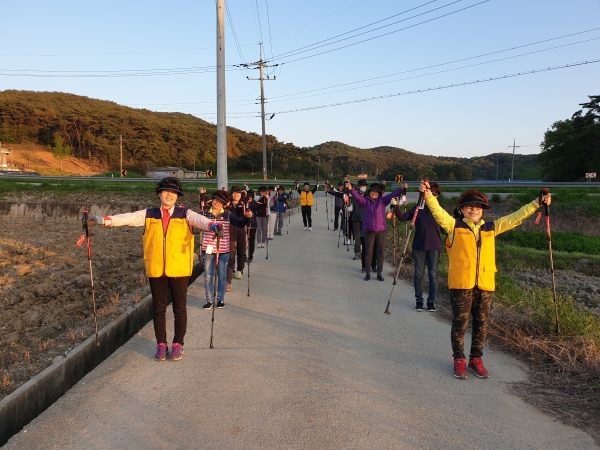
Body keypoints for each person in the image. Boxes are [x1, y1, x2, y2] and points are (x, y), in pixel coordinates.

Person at [420, 181, 551, 379]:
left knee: (481, 325)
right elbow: (438, 212)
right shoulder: (453, 226)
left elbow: (515, 218)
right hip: (461, 285)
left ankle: (476, 359)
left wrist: (536, 203)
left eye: (478, 207)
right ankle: (459, 360)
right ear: (462, 209)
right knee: (460, 325)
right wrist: (428, 196)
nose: (474, 210)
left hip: (485, 284)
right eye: (470, 206)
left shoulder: (492, 227)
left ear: (483, 210)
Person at [85, 177, 216, 362]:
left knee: (179, 308)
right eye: (165, 191)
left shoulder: (185, 213)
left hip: (178, 268)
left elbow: (200, 220)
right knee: (158, 308)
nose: (169, 195)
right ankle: (161, 344)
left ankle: (178, 344)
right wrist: (101, 220)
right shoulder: (149, 213)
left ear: (177, 195)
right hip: (156, 268)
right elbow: (127, 218)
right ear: (159, 194)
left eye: (173, 192)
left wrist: (212, 225)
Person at [199, 189, 252, 310]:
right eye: (215, 200)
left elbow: (239, 223)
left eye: (220, 201)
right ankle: (209, 300)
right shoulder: (204, 213)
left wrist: (248, 218)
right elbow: (193, 220)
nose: (217, 203)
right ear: (211, 201)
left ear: (224, 204)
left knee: (222, 275)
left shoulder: (228, 214)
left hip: (224, 250)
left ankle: (220, 299)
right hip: (208, 249)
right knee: (208, 275)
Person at [393, 182, 441, 312]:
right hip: (419, 245)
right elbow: (403, 218)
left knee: (432, 274)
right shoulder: (418, 208)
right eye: (431, 193)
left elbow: (450, 224)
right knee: (418, 274)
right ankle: (419, 301)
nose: (433, 196)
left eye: (436, 194)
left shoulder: (439, 210)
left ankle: (431, 302)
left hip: (434, 246)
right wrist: (396, 206)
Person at [347, 181, 404, 281]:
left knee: (380, 252)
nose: (374, 193)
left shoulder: (383, 201)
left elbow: (392, 195)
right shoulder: (365, 201)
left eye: (376, 192)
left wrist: (401, 189)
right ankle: (368, 273)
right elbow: (357, 197)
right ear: (369, 192)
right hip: (369, 230)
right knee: (368, 252)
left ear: (379, 193)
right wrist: (351, 189)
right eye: (372, 191)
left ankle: (379, 273)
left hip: (381, 230)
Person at [225, 186, 248, 292]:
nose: (236, 195)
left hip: (241, 230)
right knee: (231, 255)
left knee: (241, 251)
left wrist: (245, 197)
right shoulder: (228, 205)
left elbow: (246, 212)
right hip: (230, 231)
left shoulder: (242, 204)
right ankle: (228, 279)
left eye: (238, 193)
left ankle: (240, 269)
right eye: (234, 193)